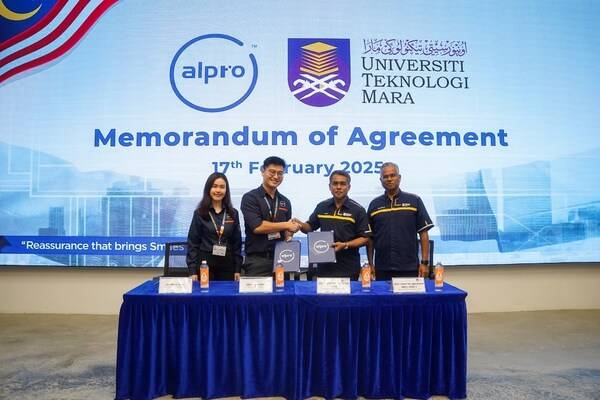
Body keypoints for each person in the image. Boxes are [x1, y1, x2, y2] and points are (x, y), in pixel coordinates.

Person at [297, 170, 370, 280]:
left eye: (342, 184)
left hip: (347, 267)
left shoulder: (358, 210)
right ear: (330, 186)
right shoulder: (322, 206)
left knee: (346, 298)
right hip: (322, 267)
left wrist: (345, 244)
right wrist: (300, 224)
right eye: (335, 183)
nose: (338, 187)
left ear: (349, 187)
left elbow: (365, 239)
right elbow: (310, 227)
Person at [367, 162, 434, 280]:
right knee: (383, 299)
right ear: (381, 180)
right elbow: (370, 239)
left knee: (409, 299)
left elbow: (423, 233)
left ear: (399, 178)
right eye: (385, 176)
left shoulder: (414, 200)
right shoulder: (374, 204)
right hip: (382, 267)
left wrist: (424, 263)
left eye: (392, 175)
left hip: (409, 267)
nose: (389, 179)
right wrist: (370, 264)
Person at [240, 156, 300, 276]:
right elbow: (257, 227)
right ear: (263, 171)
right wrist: (286, 225)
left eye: (280, 173)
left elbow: (286, 232)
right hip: (257, 261)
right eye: (272, 172)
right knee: (258, 294)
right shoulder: (250, 198)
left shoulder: (285, 201)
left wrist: (291, 231)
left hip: (282, 259)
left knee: (283, 294)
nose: (276, 177)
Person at [186, 172, 243, 281]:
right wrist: (192, 271)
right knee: (205, 296)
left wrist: (237, 269)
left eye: (222, 187)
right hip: (205, 264)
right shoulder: (200, 213)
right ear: (208, 189)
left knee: (226, 296)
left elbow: (237, 243)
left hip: (227, 264)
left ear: (226, 190)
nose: (218, 190)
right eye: (214, 186)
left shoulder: (233, 213)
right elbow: (193, 242)